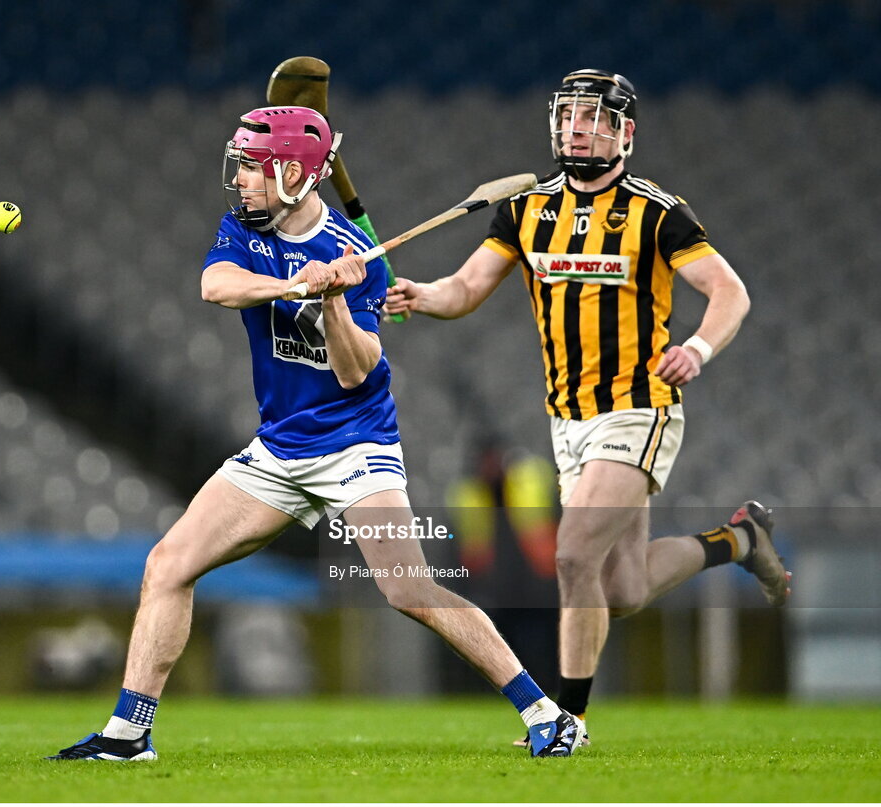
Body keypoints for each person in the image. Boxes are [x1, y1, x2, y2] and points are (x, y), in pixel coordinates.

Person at [47, 105, 583, 761]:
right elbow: (216, 286)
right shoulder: (245, 230)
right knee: (168, 564)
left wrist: (332, 299)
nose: (240, 179)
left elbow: (359, 371)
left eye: (253, 167)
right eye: (240, 165)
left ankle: (547, 714)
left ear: (296, 175)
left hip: (355, 447)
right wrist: (292, 283)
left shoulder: (360, 260)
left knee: (409, 589)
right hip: (276, 450)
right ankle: (128, 734)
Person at [384, 70, 792, 746]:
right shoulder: (525, 208)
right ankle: (743, 539)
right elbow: (465, 286)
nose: (576, 128)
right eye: (569, 116)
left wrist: (697, 347)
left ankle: (565, 721)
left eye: (594, 119)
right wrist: (422, 294)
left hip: (639, 407)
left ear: (625, 133)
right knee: (623, 587)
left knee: (572, 556)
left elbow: (730, 291)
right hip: (567, 420)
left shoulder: (658, 212)